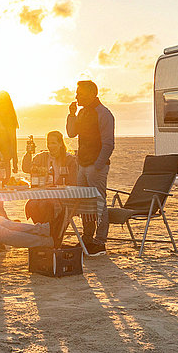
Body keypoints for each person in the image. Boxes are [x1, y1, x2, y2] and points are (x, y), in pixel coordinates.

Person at [66, 80, 115, 256]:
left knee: (99, 203)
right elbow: (71, 133)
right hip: (82, 165)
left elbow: (108, 144)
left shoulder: (103, 113)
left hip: (96, 167)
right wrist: (71, 114)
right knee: (85, 203)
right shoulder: (82, 112)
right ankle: (87, 238)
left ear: (91, 94)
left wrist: (98, 165)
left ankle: (100, 242)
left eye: (79, 93)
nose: (76, 96)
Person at [21, 131, 80, 242]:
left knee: (47, 205)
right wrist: (28, 153)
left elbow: (73, 182)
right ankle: (44, 232)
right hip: (43, 195)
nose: (50, 146)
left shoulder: (69, 159)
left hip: (62, 196)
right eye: (48, 143)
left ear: (60, 144)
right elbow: (26, 168)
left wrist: (57, 185)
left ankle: (50, 234)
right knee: (32, 205)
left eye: (53, 143)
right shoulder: (42, 157)